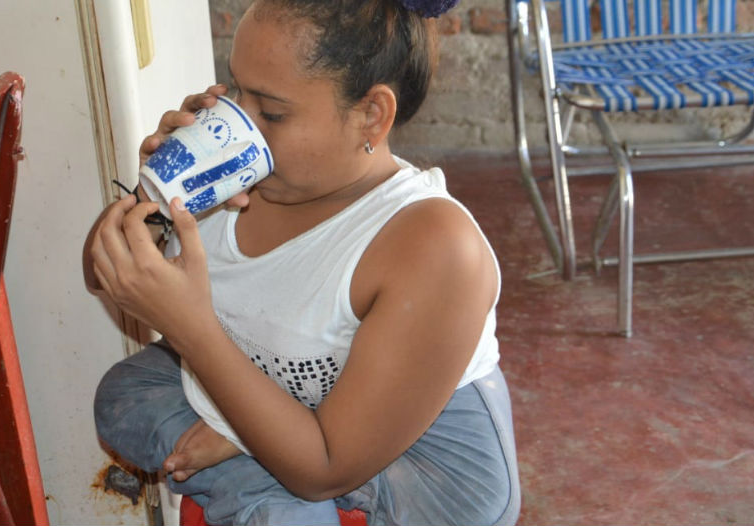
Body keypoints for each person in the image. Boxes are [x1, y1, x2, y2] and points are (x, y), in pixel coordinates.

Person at [86, 0, 520, 524]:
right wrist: (158, 192)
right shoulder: (241, 180)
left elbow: (326, 470)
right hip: (283, 386)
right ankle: (262, 446)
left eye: (270, 112)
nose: (240, 122)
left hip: (414, 477)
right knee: (124, 395)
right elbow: (99, 272)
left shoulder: (434, 246)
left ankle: (264, 460)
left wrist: (193, 330)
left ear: (371, 115)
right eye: (235, 90)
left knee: (284, 508)